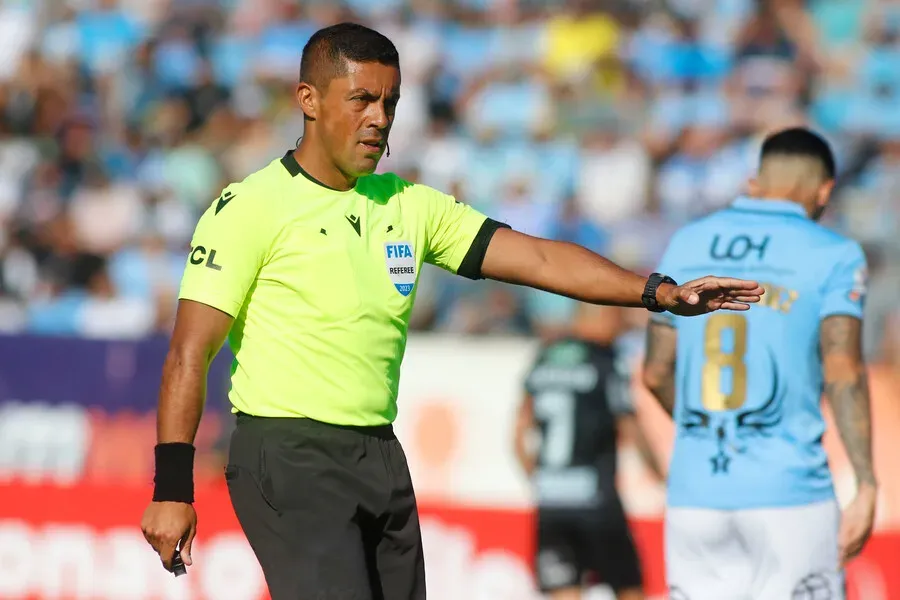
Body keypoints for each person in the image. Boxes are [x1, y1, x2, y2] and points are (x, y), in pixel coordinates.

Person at [140, 22, 763, 600]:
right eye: (361, 100)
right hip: (287, 452)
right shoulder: (249, 206)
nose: (379, 119)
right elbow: (189, 354)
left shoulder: (410, 205)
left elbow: (541, 261)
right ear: (309, 99)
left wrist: (656, 291)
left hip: (380, 453)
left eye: (390, 102)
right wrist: (172, 488)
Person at [642, 127, 877, 600]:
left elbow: (655, 372)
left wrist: (702, 432)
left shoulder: (687, 241)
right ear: (825, 191)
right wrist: (867, 481)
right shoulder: (833, 253)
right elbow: (843, 369)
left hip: (697, 493)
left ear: (754, 182)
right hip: (790, 494)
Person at [514, 303, 662, 600]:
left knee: (564, 591)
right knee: (629, 588)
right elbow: (628, 424)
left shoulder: (545, 357)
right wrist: (661, 472)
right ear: (600, 316)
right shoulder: (606, 360)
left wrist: (539, 478)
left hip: (552, 500)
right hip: (597, 502)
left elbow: (518, 434)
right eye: (617, 316)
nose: (621, 325)